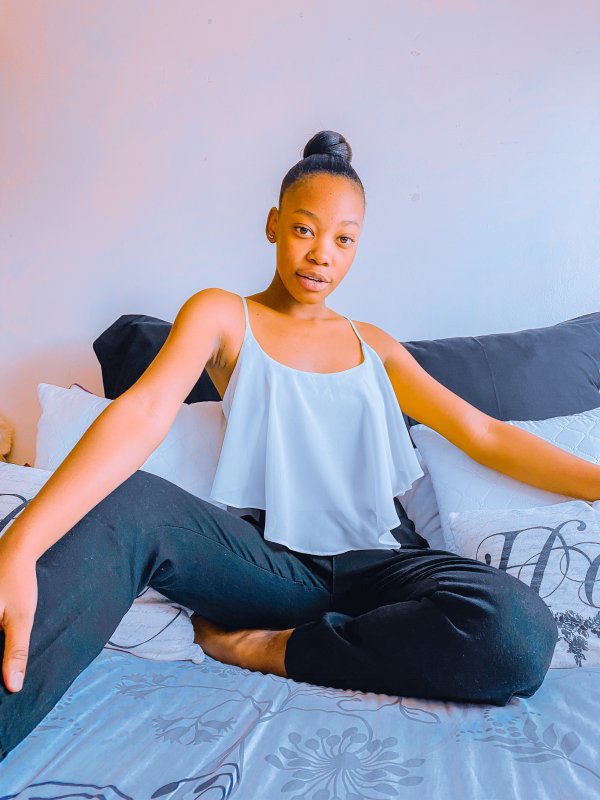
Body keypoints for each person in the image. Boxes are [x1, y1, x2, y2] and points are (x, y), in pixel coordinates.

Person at [0, 129, 563, 763]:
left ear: (357, 249)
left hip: (380, 565)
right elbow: (143, 412)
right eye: (305, 229)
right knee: (124, 507)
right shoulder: (221, 314)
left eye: (343, 239)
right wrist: (20, 547)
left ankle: (267, 649)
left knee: (517, 632)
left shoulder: (374, 346)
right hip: (270, 568)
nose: (321, 254)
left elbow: (485, 434)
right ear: (273, 224)